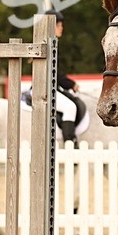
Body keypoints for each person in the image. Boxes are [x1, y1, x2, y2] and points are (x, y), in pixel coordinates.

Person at [47, 9, 86, 144]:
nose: (61, 28)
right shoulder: (48, 46)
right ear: (52, 27)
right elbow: (56, 73)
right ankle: (70, 144)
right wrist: (71, 84)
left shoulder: (53, 44)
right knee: (70, 108)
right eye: (59, 25)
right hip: (45, 89)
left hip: (52, 88)